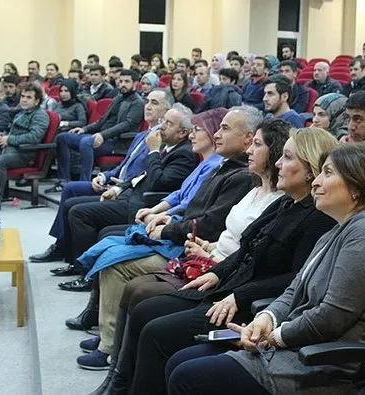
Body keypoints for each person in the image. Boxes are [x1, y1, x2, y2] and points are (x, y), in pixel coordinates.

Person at [99, 127, 339, 394]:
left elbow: (295, 280)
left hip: (249, 308)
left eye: (288, 158)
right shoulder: (285, 204)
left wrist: (238, 295)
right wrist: (217, 273)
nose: (279, 164)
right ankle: (119, 384)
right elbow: (247, 249)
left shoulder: (318, 219)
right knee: (146, 309)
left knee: (156, 332)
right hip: (228, 287)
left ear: (309, 170)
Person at [164, 141, 365, 395]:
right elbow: (294, 291)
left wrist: (274, 337)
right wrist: (264, 320)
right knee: (178, 362)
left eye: (327, 173)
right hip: (295, 347)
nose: (315, 182)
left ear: (357, 186)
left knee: (187, 377)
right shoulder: (340, 228)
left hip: (322, 365)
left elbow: (331, 318)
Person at [77, 118, 294, 372]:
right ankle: (112, 355)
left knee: (132, 284)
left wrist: (176, 232)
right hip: (205, 254)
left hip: (217, 269)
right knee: (117, 260)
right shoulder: (247, 182)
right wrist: (204, 244)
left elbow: (237, 243)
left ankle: (112, 356)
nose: (212, 136)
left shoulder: (251, 184)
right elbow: (190, 203)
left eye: (256, 144)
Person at [40, 103, 199, 277]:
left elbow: (158, 183)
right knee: (72, 204)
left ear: (183, 132)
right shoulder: (163, 145)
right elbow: (141, 174)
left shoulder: (182, 153)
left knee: (79, 213)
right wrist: (118, 189)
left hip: (141, 204)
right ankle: (74, 262)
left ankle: (84, 271)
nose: (162, 126)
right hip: (130, 195)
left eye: (169, 123)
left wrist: (153, 151)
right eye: (164, 121)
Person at [55, 69, 144, 183]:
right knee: (63, 137)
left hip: (119, 143)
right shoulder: (118, 97)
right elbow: (102, 120)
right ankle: (63, 180)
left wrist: (102, 135)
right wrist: (84, 129)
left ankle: (84, 183)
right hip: (103, 138)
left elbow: (126, 125)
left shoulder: (137, 103)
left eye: (127, 81)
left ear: (135, 84)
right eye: (121, 81)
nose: (122, 84)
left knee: (86, 142)